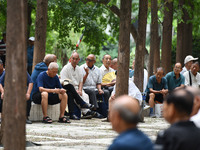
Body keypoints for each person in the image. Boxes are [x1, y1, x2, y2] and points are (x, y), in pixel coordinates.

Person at [60, 52, 95, 120]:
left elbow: (81, 81)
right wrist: (75, 91)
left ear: (79, 60)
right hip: (68, 88)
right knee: (71, 92)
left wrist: (80, 90)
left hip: (77, 88)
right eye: (73, 58)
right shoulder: (66, 68)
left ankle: (86, 112)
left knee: (85, 95)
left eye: (76, 59)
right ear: (70, 59)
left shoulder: (79, 69)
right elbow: (64, 82)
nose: (74, 60)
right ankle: (83, 107)